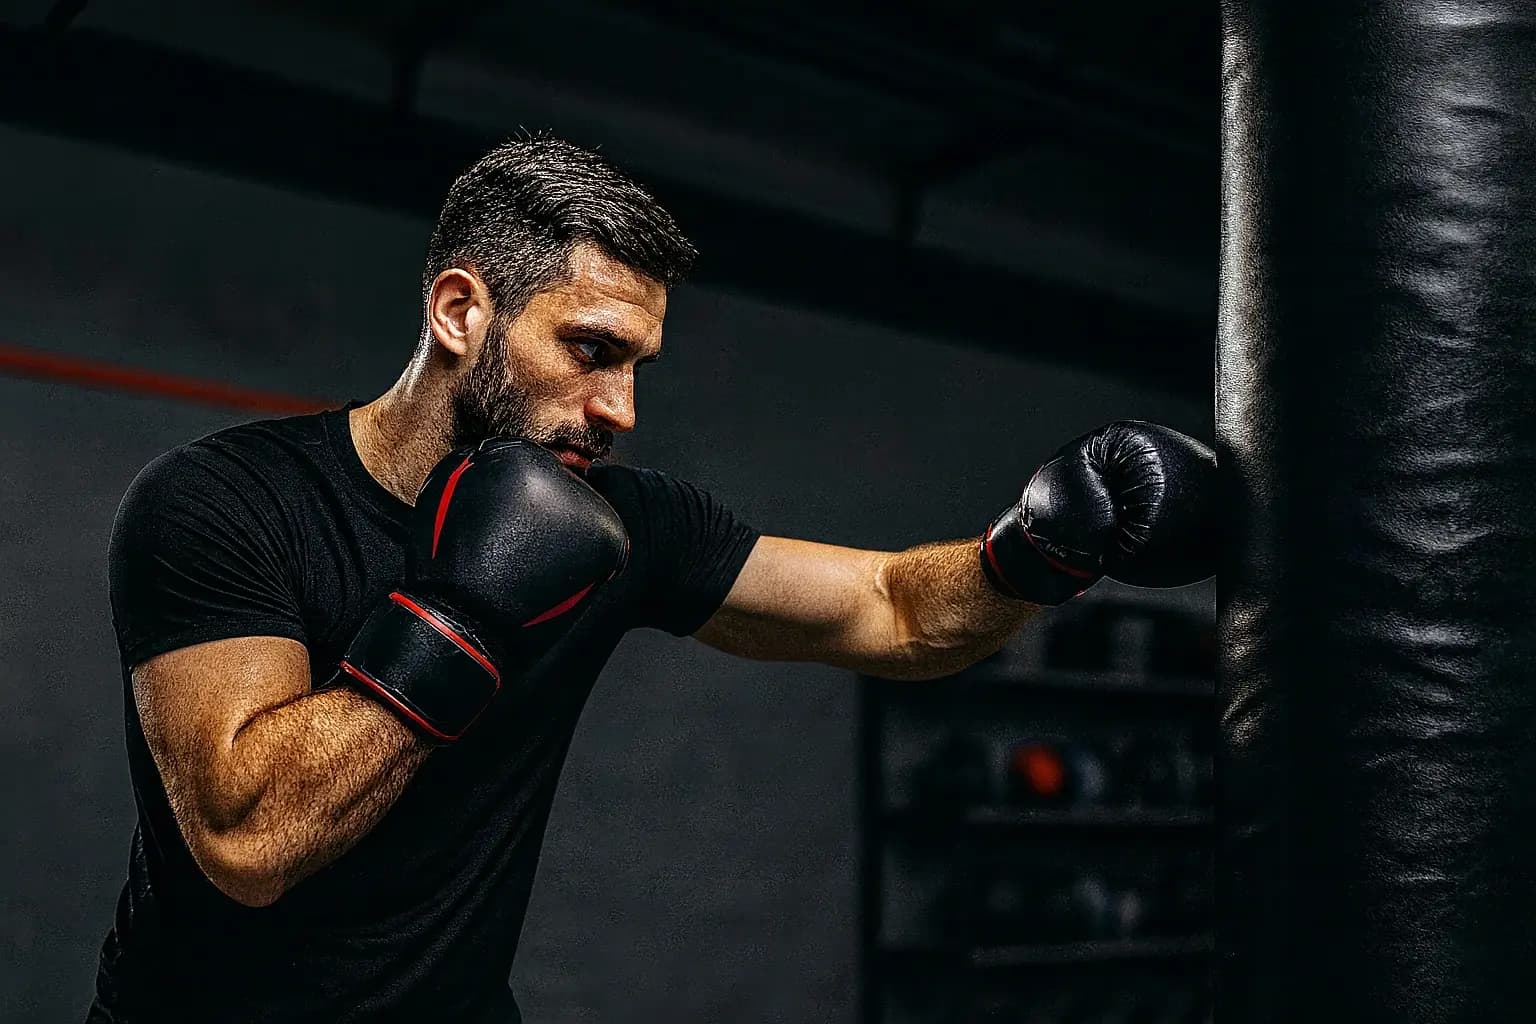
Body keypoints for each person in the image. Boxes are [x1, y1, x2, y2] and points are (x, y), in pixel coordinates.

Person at [87, 135, 1216, 1023]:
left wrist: (1036, 550)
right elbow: (248, 844)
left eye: (639, 367)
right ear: (459, 311)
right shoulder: (221, 502)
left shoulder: (619, 524)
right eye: (591, 350)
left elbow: (897, 611)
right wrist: (464, 605)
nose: (621, 409)